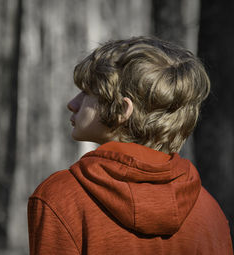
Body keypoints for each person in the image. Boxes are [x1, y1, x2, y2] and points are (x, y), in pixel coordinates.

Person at [27, 36, 233, 255]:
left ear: (123, 110)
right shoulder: (209, 213)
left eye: (87, 93)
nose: (72, 103)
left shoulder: (61, 198)